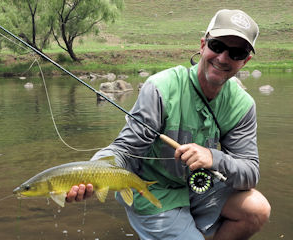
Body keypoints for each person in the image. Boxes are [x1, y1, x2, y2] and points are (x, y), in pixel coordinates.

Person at [66, 9, 271, 240]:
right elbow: (124, 151)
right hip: (152, 190)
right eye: (217, 46)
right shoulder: (161, 88)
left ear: (246, 60)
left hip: (197, 189)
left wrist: (214, 158)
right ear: (203, 44)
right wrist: (94, 172)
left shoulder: (242, 106)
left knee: (257, 209)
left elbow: (250, 173)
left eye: (236, 53)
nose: (223, 58)